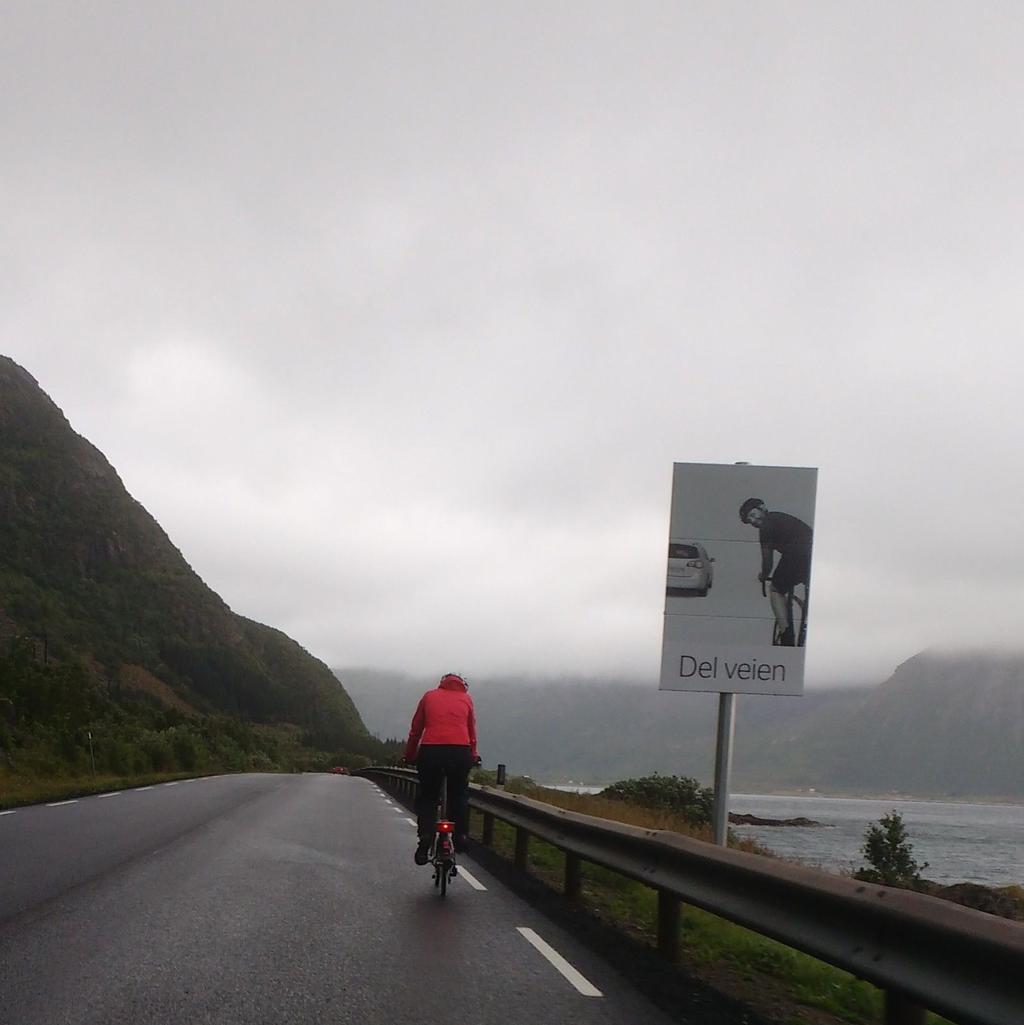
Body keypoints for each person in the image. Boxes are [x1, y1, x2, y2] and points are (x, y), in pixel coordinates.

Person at [403, 672, 479, 865]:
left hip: (431, 751)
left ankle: (426, 835)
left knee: (428, 796)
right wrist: (473, 755)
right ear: (462, 685)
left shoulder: (429, 696)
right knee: (459, 794)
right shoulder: (466, 699)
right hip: (460, 752)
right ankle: (460, 835)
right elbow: (471, 733)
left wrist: (410, 755)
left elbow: (415, 731)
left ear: (442, 684)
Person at [738, 498, 812, 646]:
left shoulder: (766, 525)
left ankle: (786, 635)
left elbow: (768, 561)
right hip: (813, 555)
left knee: (776, 590)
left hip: (795, 555)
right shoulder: (779, 517)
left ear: (762, 508)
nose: (752, 521)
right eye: (749, 520)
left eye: (753, 515)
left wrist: (764, 575)